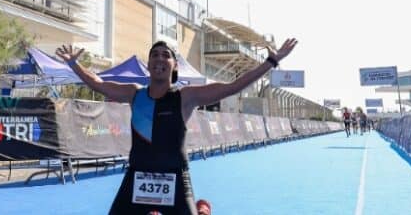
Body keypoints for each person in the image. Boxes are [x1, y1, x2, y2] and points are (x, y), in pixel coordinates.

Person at [56, 38, 298, 214]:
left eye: (166, 55)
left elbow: (232, 86)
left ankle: (202, 209)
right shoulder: (133, 94)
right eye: (155, 54)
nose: (160, 58)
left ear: (174, 67)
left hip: (175, 179)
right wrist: (75, 66)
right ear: (148, 64)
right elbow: (98, 83)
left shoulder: (186, 97)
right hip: (137, 177)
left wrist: (271, 61)